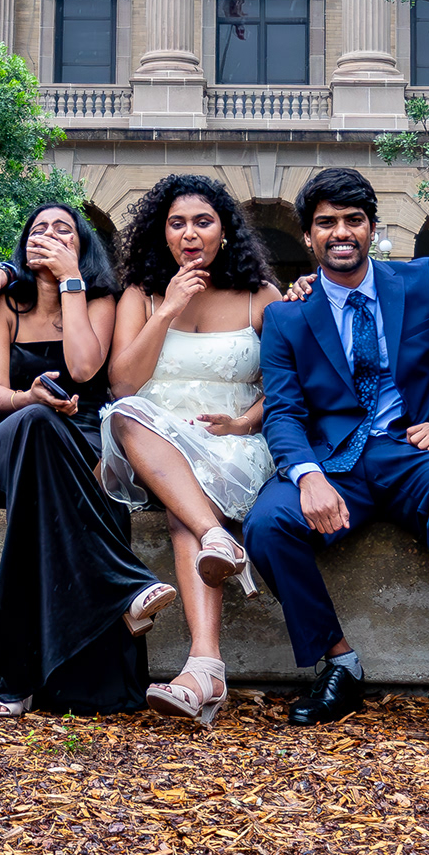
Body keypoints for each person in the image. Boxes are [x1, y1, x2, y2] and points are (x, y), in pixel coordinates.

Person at [247, 167, 429, 745]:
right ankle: (340, 662)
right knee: (268, 525)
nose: (340, 233)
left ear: (372, 227)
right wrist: (307, 475)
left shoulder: (421, 281)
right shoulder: (287, 316)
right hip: (334, 461)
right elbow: (285, 411)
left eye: (353, 220)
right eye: (326, 224)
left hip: (409, 447)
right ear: (307, 237)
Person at [0, 202, 175, 717]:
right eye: (39, 228)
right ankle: (125, 585)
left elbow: (83, 368)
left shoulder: (100, 299)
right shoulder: (4, 305)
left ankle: (14, 680)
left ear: (82, 246)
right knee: (39, 425)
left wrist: (71, 282)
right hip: (11, 439)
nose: (51, 235)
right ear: (25, 243)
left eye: (65, 229)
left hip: (80, 445)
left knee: (46, 494)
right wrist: (29, 399)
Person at [95, 175, 282, 726]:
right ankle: (217, 535)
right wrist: (167, 309)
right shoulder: (143, 295)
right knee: (125, 414)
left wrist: (246, 422)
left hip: (233, 444)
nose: (190, 233)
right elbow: (124, 384)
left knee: (186, 515)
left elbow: (287, 384)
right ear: (163, 233)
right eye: (177, 223)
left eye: (203, 222)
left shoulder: (260, 295)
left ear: (225, 232)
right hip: (154, 443)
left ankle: (204, 669)